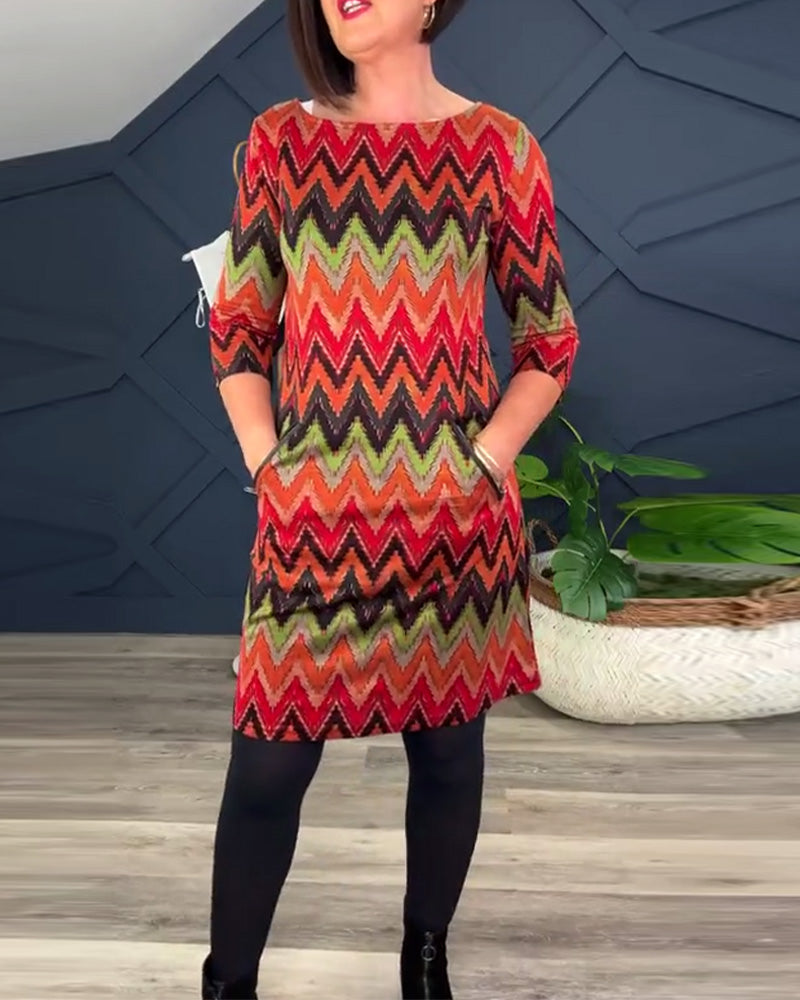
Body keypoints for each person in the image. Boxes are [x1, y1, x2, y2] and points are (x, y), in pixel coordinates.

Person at [202, 0, 579, 996]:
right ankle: (226, 982)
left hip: (455, 524)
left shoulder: (498, 148)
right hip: (314, 525)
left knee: (449, 752)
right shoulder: (279, 144)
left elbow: (548, 339)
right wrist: (272, 467)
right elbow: (239, 329)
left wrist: (485, 459)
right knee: (267, 769)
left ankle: (424, 957)